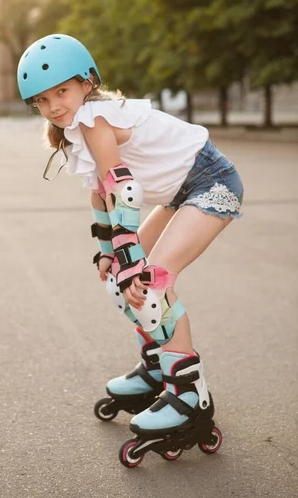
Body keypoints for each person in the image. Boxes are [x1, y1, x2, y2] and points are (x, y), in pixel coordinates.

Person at [17, 34, 244, 463]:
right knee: (122, 285)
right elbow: (99, 195)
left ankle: (188, 396)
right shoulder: (76, 129)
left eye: (61, 91)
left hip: (212, 183)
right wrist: (108, 253)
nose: (54, 106)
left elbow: (123, 189)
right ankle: (160, 369)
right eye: (42, 101)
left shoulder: (94, 119)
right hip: (180, 193)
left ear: (87, 82)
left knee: (151, 283)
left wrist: (129, 263)